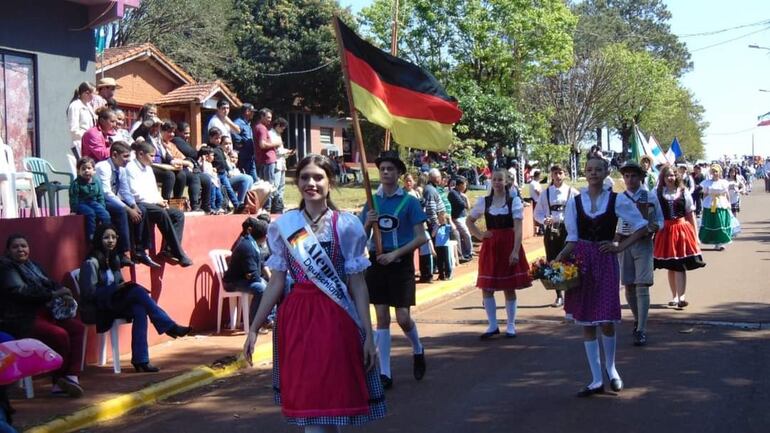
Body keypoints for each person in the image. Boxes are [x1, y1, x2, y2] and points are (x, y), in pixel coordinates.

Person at [243, 154, 385, 432]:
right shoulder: (285, 225)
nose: (311, 183)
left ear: (330, 183)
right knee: (310, 407)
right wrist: (254, 328)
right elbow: (275, 282)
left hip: (337, 318)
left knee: (335, 400)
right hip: (297, 319)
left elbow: (357, 283)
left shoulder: (346, 225)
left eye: (318, 177)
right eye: (305, 177)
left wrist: (368, 334)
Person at [554, 156, 649, 397]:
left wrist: (619, 246)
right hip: (583, 261)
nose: (593, 173)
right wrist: (556, 260)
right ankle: (596, 378)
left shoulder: (616, 199)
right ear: (584, 173)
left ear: (606, 172)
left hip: (606, 260)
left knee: (606, 319)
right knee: (587, 321)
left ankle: (612, 368)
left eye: (598, 169)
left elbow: (641, 226)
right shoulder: (575, 202)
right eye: (589, 169)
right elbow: (572, 238)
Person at [78, 225, 191, 373]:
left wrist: (120, 287)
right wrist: (115, 289)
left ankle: (141, 360)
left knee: (140, 309)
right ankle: (169, 326)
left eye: (113, 237)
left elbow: (118, 284)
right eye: (106, 237)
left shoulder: (113, 260)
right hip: (98, 308)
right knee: (137, 291)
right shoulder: (91, 263)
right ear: (99, 240)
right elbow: (88, 294)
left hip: (113, 303)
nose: (110, 241)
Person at [361, 151, 428, 390]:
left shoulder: (410, 201)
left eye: (391, 169)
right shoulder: (372, 200)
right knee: (381, 318)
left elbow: (421, 237)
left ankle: (418, 349)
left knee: (402, 317)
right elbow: (359, 237)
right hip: (377, 262)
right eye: (382, 169)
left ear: (399, 173)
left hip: (400, 263)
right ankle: (385, 372)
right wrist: (368, 223)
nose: (386, 173)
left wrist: (396, 254)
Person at [0, 235, 86, 397]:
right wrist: (53, 294)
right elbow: (21, 291)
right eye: (15, 247)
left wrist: (64, 292)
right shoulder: (6, 268)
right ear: (8, 251)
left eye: (24, 246)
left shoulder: (34, 266)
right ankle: (59, 379)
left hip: (46, 313)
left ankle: (70, 375)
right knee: (58, 334)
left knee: (76, 328)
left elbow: (51, 283)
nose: (20, 250)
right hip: (22, 318)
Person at [466, 169, 532, 339]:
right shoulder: (485, 201)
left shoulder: (513, 201)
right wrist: (480, 235)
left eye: (500, 179)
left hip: (508, 243)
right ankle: (493, 325)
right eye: (494, 179)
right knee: (487, 287)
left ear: (506, 182)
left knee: (509, 287)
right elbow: (469, 220)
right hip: (491, 246)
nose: (496, 182)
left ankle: (511, 325)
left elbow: (518, 228)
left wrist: (516, 250)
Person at [614, 161, 664, 347]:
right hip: (625, 242)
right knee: (628, 285)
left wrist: (655, 226)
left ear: (641, 177)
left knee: (642, 285)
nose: (629, 179)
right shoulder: (619, 198)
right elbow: (616, 222)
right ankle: (637, 319)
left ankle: (642, 329)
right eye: (626, 176)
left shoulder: (649, 196)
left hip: (643, 243)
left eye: (633, 176)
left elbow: (660, 219)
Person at [126, 141, 193, 267]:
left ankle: (168, 249)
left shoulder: (149, 169)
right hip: (139, 204)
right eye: (151, 156)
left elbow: (154, 190)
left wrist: (161, 200)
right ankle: (179, 253)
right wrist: (156, 201)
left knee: (177, 214)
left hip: (152, 203)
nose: (153, 159)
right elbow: (135, 193)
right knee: (161, 213)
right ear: (141, 154)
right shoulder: (130, 168)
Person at [654, 165, 706, 310]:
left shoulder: (684, 192)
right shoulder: (657, 193)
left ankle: (682, 296)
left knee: (680, 265)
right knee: (671, 265)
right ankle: (674, 296)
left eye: (672, 175)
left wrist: (696, 236)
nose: (670, 178)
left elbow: (690, 215)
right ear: (663, 178)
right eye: (667, 176)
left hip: (682, 230)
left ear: (677, 176)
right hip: (665, 231)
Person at [533, 164, 578, 308]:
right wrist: (543, 220)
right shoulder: (546, 193)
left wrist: (563, 219)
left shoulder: (573, 192)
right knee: (553, 261)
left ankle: (573, 292)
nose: (558, 176)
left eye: (560, 173)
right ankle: (559, 295)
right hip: (551, 231)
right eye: (555, 173)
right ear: (551, 175)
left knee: (570, 260)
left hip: (568, 230)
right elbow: (537, 213)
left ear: (565, 174)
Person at [223, 217, 269, 325]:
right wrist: (260, 279)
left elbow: (256, 269)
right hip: (232, 283)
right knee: (262, 289)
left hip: (244, 279)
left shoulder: (253, 244)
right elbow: (253, 274)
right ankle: (254, 323)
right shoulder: (248, 247)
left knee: (270, 286)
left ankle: (267, 319)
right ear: (265, 236)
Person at [159, 120, 203, 209]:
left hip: (177, 168)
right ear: (161, 131)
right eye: (169, 132)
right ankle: (166, 204)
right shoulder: (159, 143)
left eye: (173, 132)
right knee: (180, 175)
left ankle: (196, 206)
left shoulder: (172, 144)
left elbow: (182, 157)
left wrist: (186, 162)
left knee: (198, 177)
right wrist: (186, 163)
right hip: (163, 168)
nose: (172, 134)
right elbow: (172, 159)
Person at [207, 128, 252, 213]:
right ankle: (215, 207)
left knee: (229, 189)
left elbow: (224, 161)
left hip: (223, 173)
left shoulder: (219, 149)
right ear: (210, 138)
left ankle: (237, 205)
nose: (218, 140)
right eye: (216, 138)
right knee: (218, 192)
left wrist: (228, 169)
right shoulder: (209, 149)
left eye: (219, 138)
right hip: (216, 175)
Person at [171, 121, 212, 213]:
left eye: (189, 133)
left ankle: (206, 206)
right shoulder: (177, 140)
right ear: (178, 132)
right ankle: (195, 205)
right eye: (185, 133)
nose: (188, 135)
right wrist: (200, 150)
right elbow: (192, 154)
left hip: (190, 168)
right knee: (194, 177)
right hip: (180, 168)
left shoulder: (184, 141)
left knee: (206, 179)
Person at [69, 157, 111, 241]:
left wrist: (102, 207)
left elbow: (100, 196)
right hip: (81, 203)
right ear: (78, 171)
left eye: (89, 168)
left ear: (94, 170)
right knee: (90, 213)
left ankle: (106, 232)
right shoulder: (76, 183)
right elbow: (73, 197)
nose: (86, 171)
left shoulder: (96, 181)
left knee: (105, 215)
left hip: (93, 202)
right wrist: (73, 210)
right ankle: (92, 235)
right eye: (83, 169)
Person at [698, 164, 732, 251]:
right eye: (713, 171)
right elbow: (705, 194)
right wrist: (703, 204)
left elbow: (726, 193)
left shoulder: (723, 182)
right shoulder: (707, 183)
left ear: (719, 172)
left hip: (721, 203)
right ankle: (715, 242)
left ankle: (721, 242)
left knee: (720, 222)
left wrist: (729, 203)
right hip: (710, 204)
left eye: (716, 171)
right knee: (712, 223)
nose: (715, 173)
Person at [253, 108, 279, 211]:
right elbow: (262, 144)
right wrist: (276, 143)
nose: (270, 120)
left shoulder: (257, 127)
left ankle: (265, 206)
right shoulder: (262, 128)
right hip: (268, 159)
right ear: (262, 116)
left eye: (271, 118)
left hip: (263, 159)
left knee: (265, 183)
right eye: (268, 117)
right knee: (269, 184)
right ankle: (269, 207)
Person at [66, 82, 96, 158]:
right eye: (94, 94)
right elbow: (73, 129)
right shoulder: (75, 106)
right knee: (82, 166)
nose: (94, 96)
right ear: (86, 93)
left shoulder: (88, 106)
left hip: (90, 143)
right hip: (79, 143)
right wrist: (87, 137)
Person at [270, 117, 292, 214]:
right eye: (283, 128)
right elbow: (276, 150)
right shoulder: (271, 134)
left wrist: (287, 153)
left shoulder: (278, 134)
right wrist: (286, 151)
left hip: (281, 162)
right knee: (276, 185)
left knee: (282, 185)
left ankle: (279, 204)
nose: (283, 130)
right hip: (276, 162)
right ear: (278, 126)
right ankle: (274, 205)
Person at [447, 176, 473, 262]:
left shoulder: (459, 193)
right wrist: (465, 197)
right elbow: (463, 205)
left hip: (463, 217)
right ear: (459, 185)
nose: (465, 187)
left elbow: (468, 207)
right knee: (466, 234)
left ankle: (467, 253)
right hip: (457, 218)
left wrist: (464, 196)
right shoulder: (453, 193)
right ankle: (469, 253)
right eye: (464, 185)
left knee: (465, 235)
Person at [232, 103, 257, 182]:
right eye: (252, 111)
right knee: (249, 178)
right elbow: (233, 132)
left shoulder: (246, 123)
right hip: (243, 157)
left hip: (250, 156)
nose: (253, 113)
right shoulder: (238, 122)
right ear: (247, 111)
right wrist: (241, 143)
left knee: (253, 178)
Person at [198, 146, 225, 214]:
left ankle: (218, 208)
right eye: (212, 155)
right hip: (211, 184)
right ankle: (212, 208)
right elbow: (204, 171)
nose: (213, 157)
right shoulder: (203, 163)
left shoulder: (210, 164)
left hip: (216, 184)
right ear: (206, 156)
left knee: (220, 197)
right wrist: (203, 160)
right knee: (212, 197)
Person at [432, 212, 453, 280]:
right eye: (440, 219)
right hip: (438, 245)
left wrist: (450, 220)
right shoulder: (436, 226)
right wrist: (437, 227)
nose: (441, 220)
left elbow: (454, 228)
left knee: (446, 260)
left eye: (443, 219)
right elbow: (433, 235)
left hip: (445, 245)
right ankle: (441, 275)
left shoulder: (447, 226)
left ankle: (448, 274)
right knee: (439, 261)